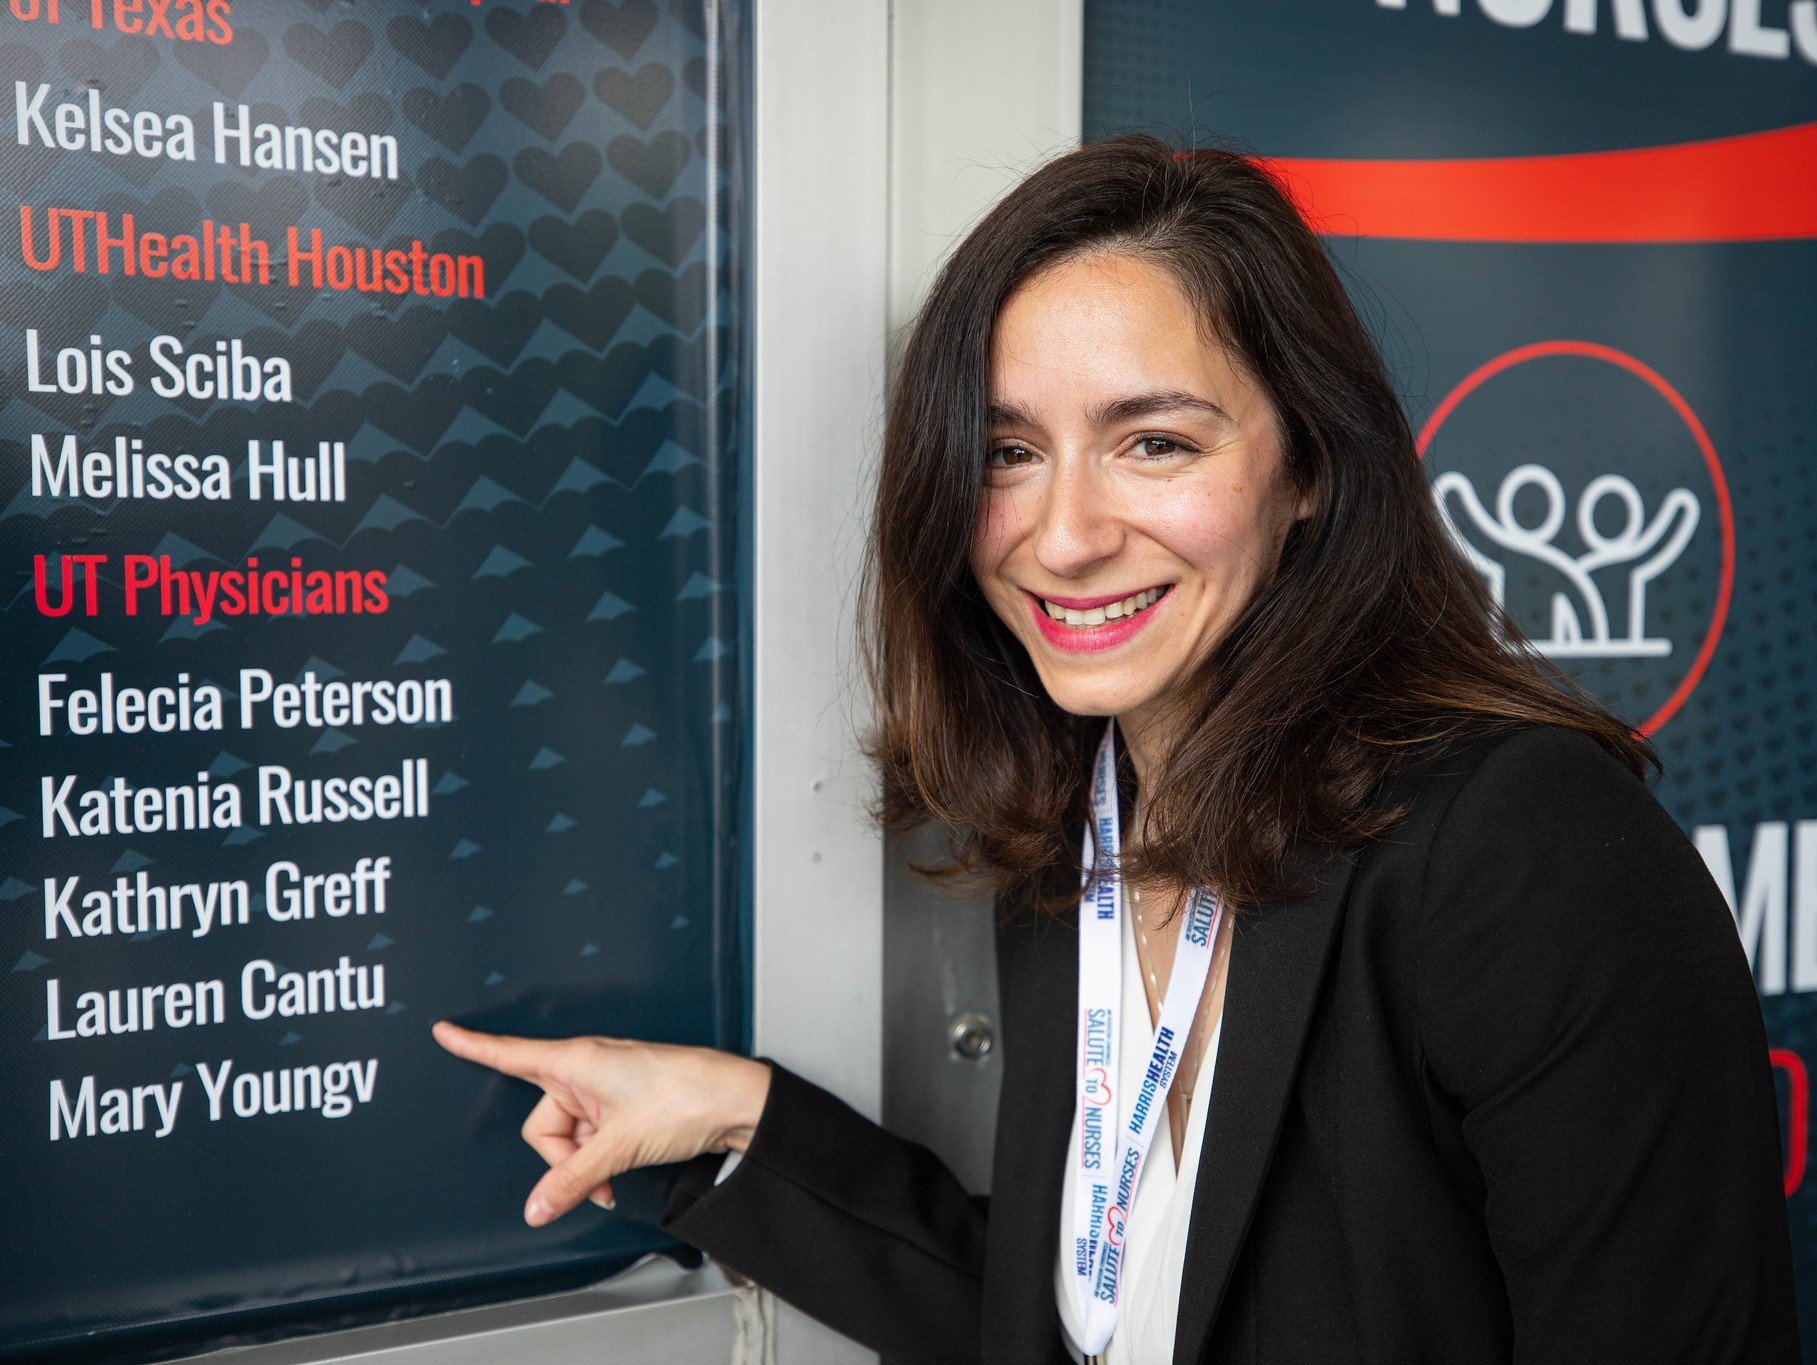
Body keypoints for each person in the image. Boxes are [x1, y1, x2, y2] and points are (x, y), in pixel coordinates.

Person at [431, 134, 1799, 1363]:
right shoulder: (1072, 838)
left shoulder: (1520, 847)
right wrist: (738, 1118)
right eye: (1007, 450)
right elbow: (1109, 1306)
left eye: (1152, 442)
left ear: (1307, 464)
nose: (1064, 532)